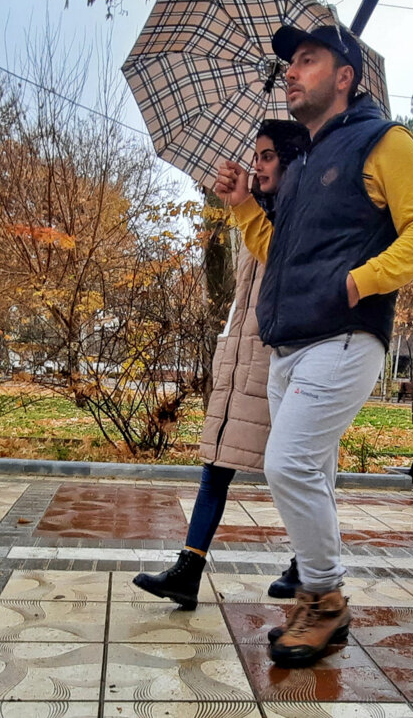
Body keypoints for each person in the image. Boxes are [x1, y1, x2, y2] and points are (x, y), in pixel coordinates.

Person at [213, 24, 413, 667]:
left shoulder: (383, 142)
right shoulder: (306, 159)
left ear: (345, 76)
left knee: (286, 465)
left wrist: (358, 282)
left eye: (308, 60)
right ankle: (320, 606)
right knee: (307, 471)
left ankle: (324, 597)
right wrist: (243, 206)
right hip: (291, 343)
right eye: (289, 64)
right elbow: (279, 254)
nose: (291, 71)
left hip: (345, 337)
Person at [133, 119, 310, 609]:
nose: (258, 164)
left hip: (281, 364)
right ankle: (188, 571)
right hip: (240, 361)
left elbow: (287, 265)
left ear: (293, 160)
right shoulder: (260, 214)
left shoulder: (300, 214)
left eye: (268, 155)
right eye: (256, 155)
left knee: (296, 469)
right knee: (216, 467)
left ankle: (306, 564)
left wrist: (245, 207)